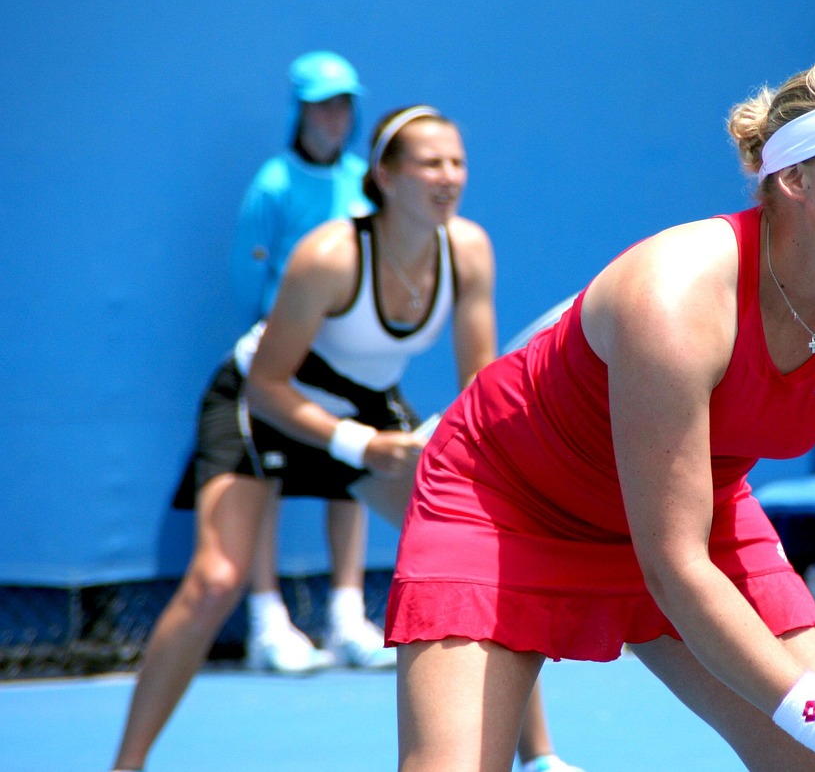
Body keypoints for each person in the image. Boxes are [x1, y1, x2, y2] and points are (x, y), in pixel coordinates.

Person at [387, 56, 815, 771]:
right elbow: (674, 567)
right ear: (795, 179)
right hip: (506, 504)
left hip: (694, 517)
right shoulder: (673, 296)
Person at [113, 106, 582, 772]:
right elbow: (265, 385)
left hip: (366, 408)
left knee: (483, 552)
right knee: (216, 580)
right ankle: (125, 766)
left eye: (457, 162)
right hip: (264, 403)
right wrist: (358, 445)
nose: (449, 176)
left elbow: (480, 385)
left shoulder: (469, 250)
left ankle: (539, 758)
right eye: (430, 163)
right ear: (385, 176)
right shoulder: (329, 256)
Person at [226, 49, 387, 672]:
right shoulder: (273, 184)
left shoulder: (362, 182)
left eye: (344, 104)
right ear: (300, 110)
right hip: (283, 355)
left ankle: (347, 618)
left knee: (351, 474)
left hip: (346, 358)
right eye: (323, 105)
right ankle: (267, 623)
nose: (335, 117)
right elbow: (249, 276)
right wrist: (275, 339)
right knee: (265, 480)